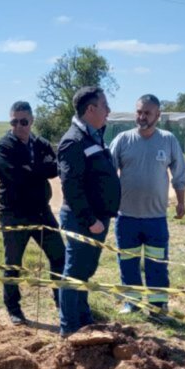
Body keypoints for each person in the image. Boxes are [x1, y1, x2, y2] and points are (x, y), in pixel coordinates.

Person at [109, 94, 185, 315]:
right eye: (139, 112)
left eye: (147, 113)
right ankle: (131, 302)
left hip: (156, 218)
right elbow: (108, 174)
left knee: (157, 263)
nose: (142, 117)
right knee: (128, 261)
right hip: (127, 217)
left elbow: (179, 174)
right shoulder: (123, 140)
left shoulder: (168, 140)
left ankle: (158, 303)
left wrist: (181, 202)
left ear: (158, 115)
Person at [0, 100, 65, 326]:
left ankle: (62, 300)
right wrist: (38, 170)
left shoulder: (40, 143)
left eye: (24, 121)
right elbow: (16, 177)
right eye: (14, 121)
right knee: (13, 262)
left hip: (41, 211)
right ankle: (13, 308)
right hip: (13, 213)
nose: (19, 126)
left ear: (32, 121)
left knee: (59, 255)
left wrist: (33, 169)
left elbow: (56, 168)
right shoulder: (3, 147)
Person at [57, 86, 120, 337]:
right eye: (105, 105)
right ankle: (69, 328)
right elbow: (71, 186)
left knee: (85, 270)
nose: (109, 110)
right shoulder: (73, 140)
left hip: (97, 218)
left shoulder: (94, 135)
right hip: (82, 219)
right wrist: (90, 219)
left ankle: (83, 319)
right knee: (74, 272)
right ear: (90, 109)